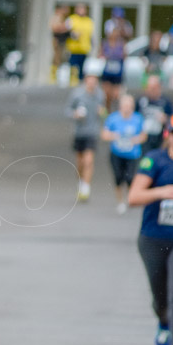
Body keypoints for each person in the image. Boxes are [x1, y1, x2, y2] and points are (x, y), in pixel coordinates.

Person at [129, 113, 173, 345]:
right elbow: (134, 196)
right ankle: (163, 322)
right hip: (153, 238)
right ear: (168, 134)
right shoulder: (154, 161)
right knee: (161, 298)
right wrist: (161, 192)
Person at [101, 94, 146, 215]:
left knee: (130, 177)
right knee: (118, 178)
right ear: (120, 106)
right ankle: (120, 201)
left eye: (129, 106)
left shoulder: (138, 119)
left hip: (133, 154)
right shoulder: (113, 118)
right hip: (117, 153)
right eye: (125, 106)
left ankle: (130, 197)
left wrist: (135, 140)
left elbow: (144, 135)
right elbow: (104, 134)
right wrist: (114, 136)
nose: (127, 108)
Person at [69, 74, 106, 202]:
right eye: (90, 81)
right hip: (79, 132)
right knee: (80, 162)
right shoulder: (77, 94)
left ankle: (86, 187)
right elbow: (67, 110)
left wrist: (102, 112)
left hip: (92, 132)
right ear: (86, 81)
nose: (92, 84)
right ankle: (81, 181)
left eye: (94, 81)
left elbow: (104, 113)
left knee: (88, 160)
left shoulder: (100, 95)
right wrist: (75, 114)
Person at [138, 75, 173, 152]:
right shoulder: (141, 100)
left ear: (159, 88)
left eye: (154, 88)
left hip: (160, 137)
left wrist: (166, 119)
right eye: (149, 88)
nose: (151, 91)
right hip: (143, 137)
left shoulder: (166, 102)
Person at [98, 19, 127, 111]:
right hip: (107, 72)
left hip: (117, 73)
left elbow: (125, 56)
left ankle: (116, 111)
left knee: (117, 95)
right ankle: (108, 111)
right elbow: (100, 55)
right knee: (107, 94)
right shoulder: (105, 43)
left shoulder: (121, 43)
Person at [66, 3, 94, 84]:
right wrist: (73, 34)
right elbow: (65, 32)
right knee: (73, 68)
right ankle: (72, 84)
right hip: (74, 49)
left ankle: (80, 84)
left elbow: (90, 35)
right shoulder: (72, 19)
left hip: (84, 49)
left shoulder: (89, 21)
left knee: (82, 69)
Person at [50, 5, 72, 84]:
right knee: (57, 59)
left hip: (63, 41)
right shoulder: (56, 17)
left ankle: (60, 77)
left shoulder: (64, 18)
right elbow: (55, 28)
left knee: (62, 59)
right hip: (58, 41)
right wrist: (65, 27)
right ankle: (53, 77)